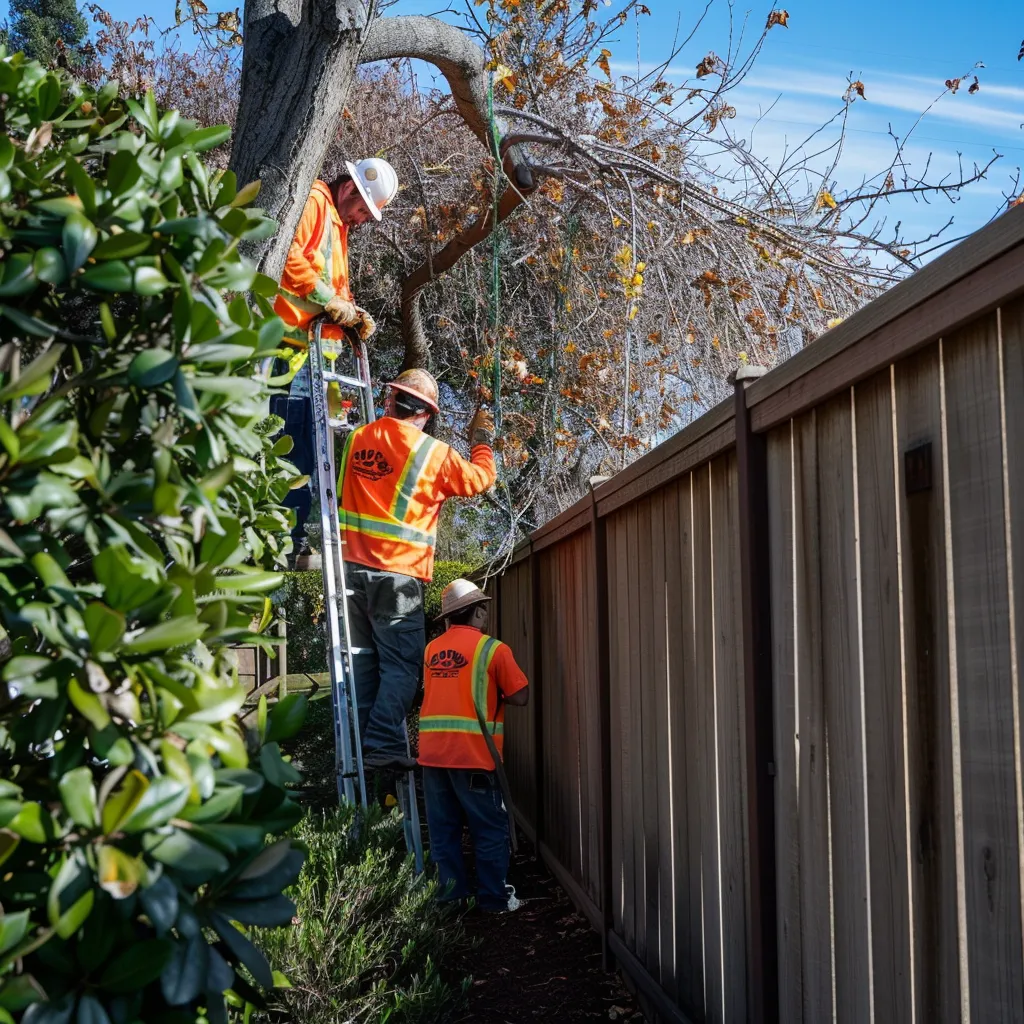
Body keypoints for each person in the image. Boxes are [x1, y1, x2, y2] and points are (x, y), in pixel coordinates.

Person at [338, 370, 497, 769]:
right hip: (398, 574)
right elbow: (481, 480)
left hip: (349, 571)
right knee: (402, 668)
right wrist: (482, 443)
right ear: (426, 413)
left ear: (391, 401)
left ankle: (364, 745)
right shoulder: (434, 454)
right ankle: (383, 744)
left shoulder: (357, 439)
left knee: (361, 661)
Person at [271, 157, 399, 561]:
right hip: (289, 354)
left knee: (311, 454)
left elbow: (335, 288)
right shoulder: (315, 202)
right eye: (363, 209)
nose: (362, 219)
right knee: (289, 447)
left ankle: (295, 535)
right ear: (349, 189)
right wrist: (332, 302)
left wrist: (354, 314)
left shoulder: (338, 225)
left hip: (315, 363)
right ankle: (280, 537)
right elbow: (289, 259)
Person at [418, 578, 530, 913]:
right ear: (478, 612)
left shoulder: (431, 649)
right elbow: (520, 696)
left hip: (433, 757)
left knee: (444, 831)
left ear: (450, 617)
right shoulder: (493, 650)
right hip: (474, 757)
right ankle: (494, 900)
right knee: (489, 830)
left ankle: (452, 899)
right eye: (485, 609)